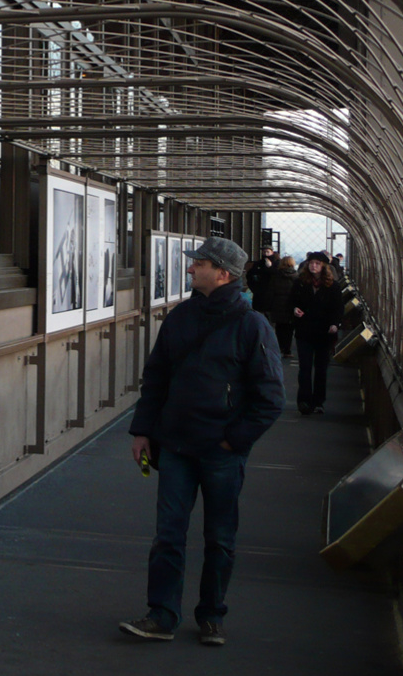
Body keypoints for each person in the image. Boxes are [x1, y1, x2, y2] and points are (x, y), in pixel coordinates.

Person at [122, 236, 285, 646]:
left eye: (200, 264)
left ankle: (212, 615)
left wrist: (233, 442)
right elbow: (156, 377)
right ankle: (161, 615)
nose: (192, 269)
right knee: (168, 535)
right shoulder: (181, 318)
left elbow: (271, 398)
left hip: (221, 453)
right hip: (176, 447)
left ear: (223, 273)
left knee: (220, 538)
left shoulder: (253, 327)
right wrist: (143, 430)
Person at [288, 252, 345, 415]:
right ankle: (304, 401)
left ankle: (319, 401)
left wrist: (335, 323)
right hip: (304, 330)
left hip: (324, 332)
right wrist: (294, 309)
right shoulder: (300, 283)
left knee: (321, 368)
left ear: (324, 267)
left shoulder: (332, 286)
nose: (314, 266)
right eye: (311, 263)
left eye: (317, 264)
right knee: (304, 367)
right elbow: (291, 301)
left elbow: (338, 308)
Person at [266, 254, 299, 358]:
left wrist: (269, 306)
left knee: (279, 328)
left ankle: (279, 348)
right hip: (290, 304)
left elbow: (270, 291)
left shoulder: (276, 275)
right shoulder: (296, 277)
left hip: (278, 304)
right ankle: (287, 350)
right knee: (289, 329)